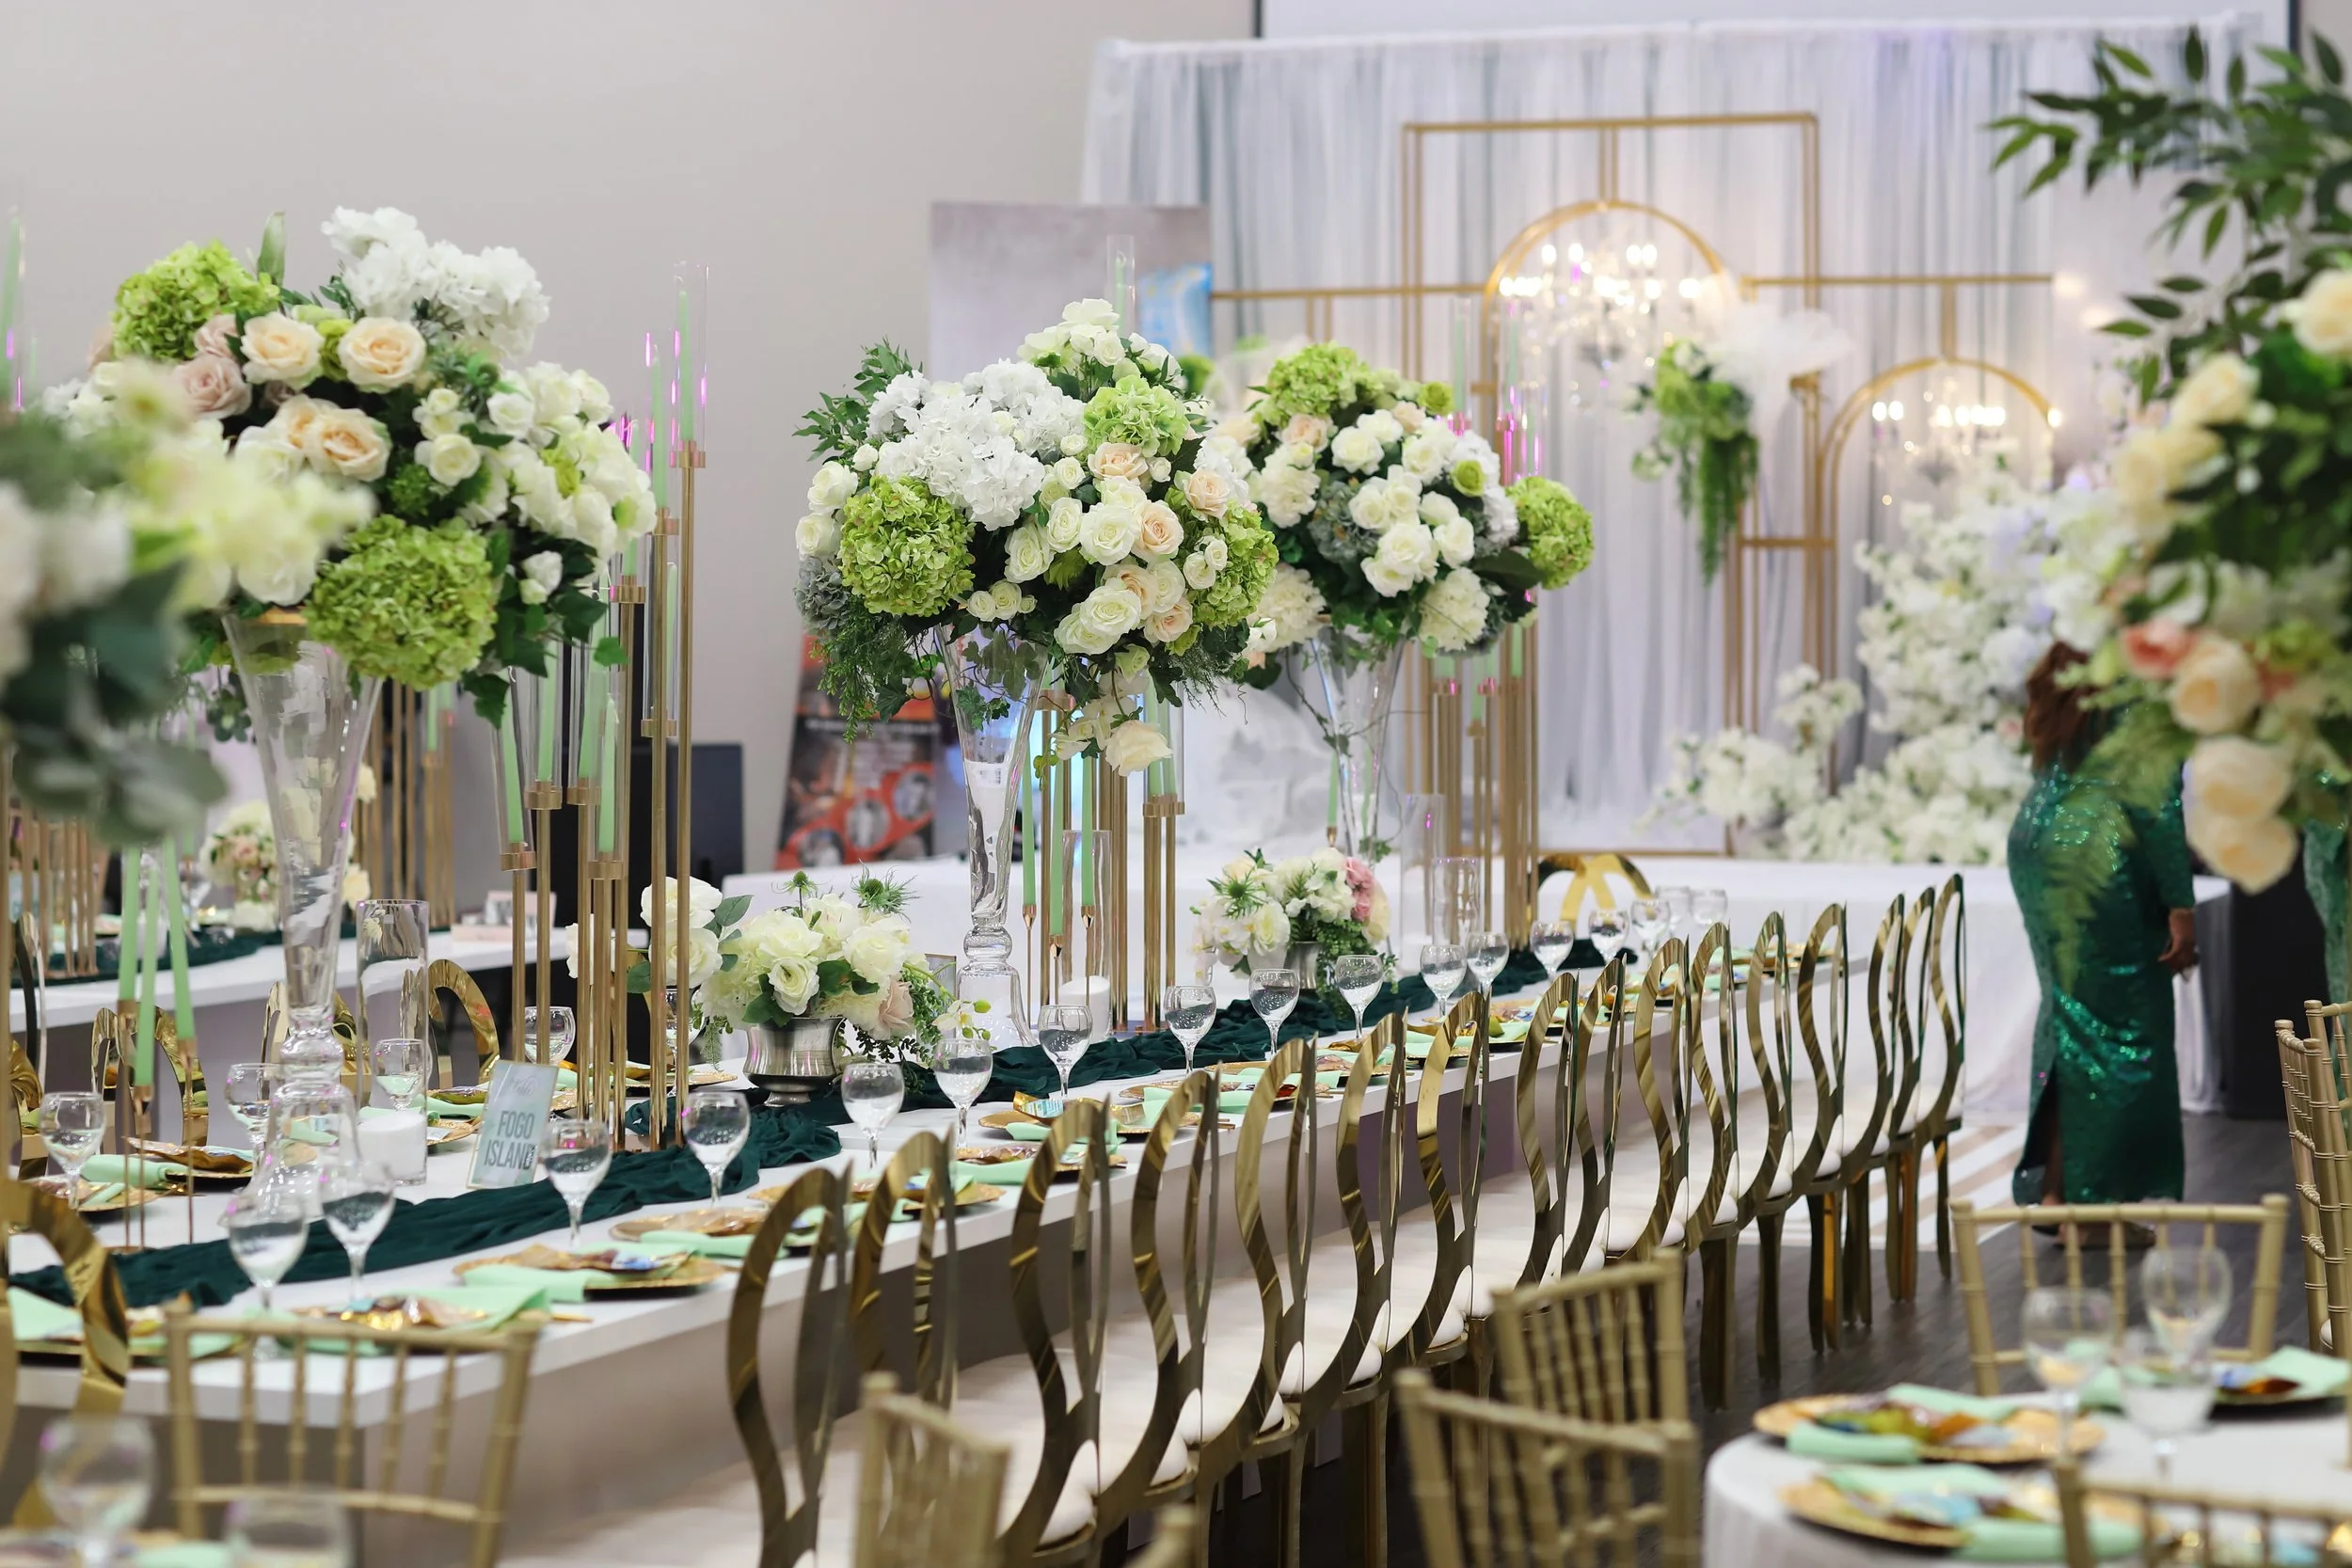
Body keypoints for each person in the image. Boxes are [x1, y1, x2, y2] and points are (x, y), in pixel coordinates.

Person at [2009, 645, 2199, 1218]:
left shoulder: (2080, 650)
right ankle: (2087, 1207)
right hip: (2099, 855)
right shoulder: (2140, 673)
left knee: (2072, 1017)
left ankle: (2062, 1195)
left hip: (2041, 837)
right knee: (2117, 1031)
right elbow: (2157, 801)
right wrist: (2180, 905)